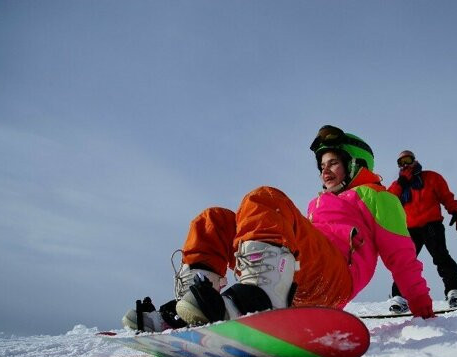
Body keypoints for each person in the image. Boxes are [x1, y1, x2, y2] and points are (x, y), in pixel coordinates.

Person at [122, 126, 435, 332]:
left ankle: (260, 298)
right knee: (214, 219)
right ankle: (194, 305)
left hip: (334, 277)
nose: (325, 170)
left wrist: (422, 308)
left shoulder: (379, 197)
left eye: (333, 163)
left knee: (266, 200)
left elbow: (401, 257)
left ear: (357, 165)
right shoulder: (318, 204)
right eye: (322, 165)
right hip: (300, 278)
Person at [386, 149, 457, 312]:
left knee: (441, 257)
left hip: (432, 225)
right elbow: (388, 202)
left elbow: (446, 196)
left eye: (407, 160)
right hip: (409, 229)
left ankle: (454, 293)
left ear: (414, 160)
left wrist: (455, 212)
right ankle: (400, 298)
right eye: (401, 162)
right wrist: (401, 183)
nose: (405, 165)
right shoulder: (398, 185)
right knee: (405, 264)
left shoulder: (431, 177)